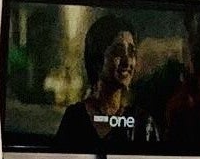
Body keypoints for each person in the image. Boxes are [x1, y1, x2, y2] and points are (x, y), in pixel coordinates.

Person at [55, 15, 145, 151]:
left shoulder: (143, 122)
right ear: (97, 58)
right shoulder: (75, 117)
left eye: (132, 53)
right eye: (118, 52)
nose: (127, 62)